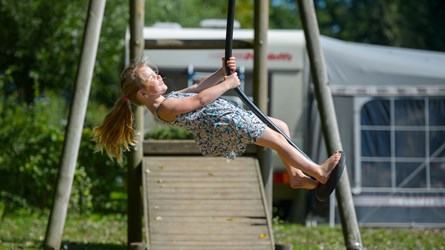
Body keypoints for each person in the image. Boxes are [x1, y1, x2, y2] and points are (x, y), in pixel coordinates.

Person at [93, 57, 341, 190]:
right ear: (143, 95)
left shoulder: (168, 98)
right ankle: (318, 172)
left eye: (155, 73)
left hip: (230, 116)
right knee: (277, 140)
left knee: (282, 128)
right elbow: (200, 99)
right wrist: (228, 84)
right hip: (226, 123)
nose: (158, 75)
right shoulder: (165, 108)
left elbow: (199, 87)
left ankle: (296, 176)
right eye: (151, 78)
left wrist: (220, 71)